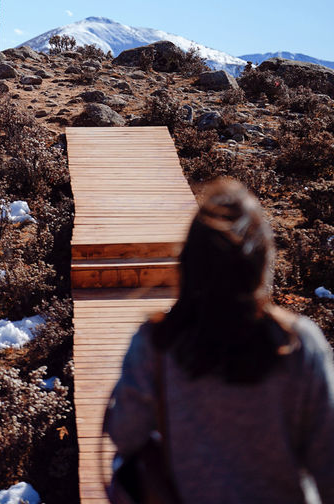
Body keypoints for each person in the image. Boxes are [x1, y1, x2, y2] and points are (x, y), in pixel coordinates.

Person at [104, 177, 334, 504]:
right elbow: (328, 464)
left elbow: (125, 434)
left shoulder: (157, 343)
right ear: (261, 264)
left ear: (188, 262)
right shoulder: (297, 343)